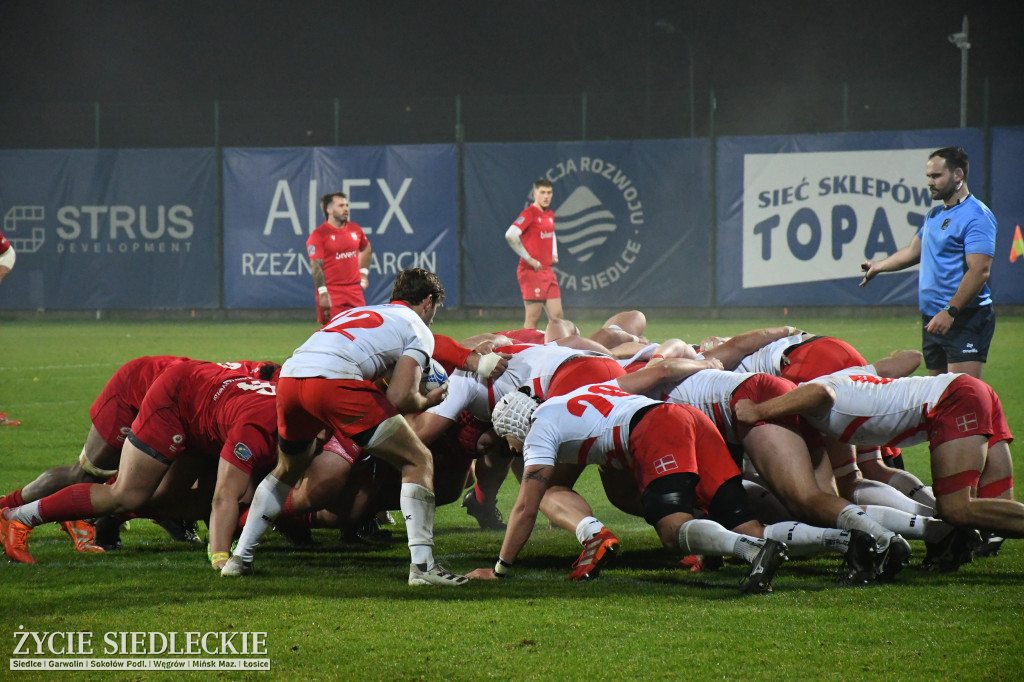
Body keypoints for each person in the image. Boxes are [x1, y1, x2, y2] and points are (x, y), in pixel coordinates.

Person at [221, 267, 468, 586]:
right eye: (435, 309)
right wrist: (428, 401)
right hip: (333, 382)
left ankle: (240, 558)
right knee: (418, 460)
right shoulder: (417, 328)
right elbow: (399, 397)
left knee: (287, 469)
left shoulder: (364, 311)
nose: (433, 317)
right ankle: (423, 569)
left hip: (292, 379)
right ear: (429, 301)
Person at [467, 382, 790, 594]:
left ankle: (750, 549)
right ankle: (838, 537)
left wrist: (500, 569)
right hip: (684, 417)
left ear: (512, 426)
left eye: (508, 441)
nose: (511, 449)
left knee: (670, 528)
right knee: (746, 523)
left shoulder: (537, 430)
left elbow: (525, 508)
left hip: (656, 428)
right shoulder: (568, 399)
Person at [0, 361, 280, 566]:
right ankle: (15, 515)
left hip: (201, 410)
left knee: (180, 500)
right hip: (171, 397)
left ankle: (108, 516)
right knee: (113, 488)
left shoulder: (287, 401)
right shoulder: (257, 425)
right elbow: (227, 497)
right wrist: (221, 558)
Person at [733, 357, 1023, 548]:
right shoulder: (848, 377)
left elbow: (819, 394)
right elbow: (904, 358)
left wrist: (760, 409)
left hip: (951, 401)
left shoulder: (812, 390)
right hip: (968, 391)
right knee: (996, 511)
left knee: (957, 509)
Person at [859, 147, 997, 379]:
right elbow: (914, 251)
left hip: (963, 317)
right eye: (928, 177)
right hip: (933, 319)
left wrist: (950, 310)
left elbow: (980, 271)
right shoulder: (935, 215)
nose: (930, 182)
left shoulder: (977, 216)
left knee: (962, 399)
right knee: (938, 399)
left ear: (958, 175)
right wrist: (879, 266)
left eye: (936, 176)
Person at [505, 178, 562, 330]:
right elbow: (511, 235)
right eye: (542, 192)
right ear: (535, 194)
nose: (546, 196)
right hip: (531, 271)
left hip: (547, 270)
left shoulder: (549, 214)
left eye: (549, 193)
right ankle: (525, 352)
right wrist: (529, 259)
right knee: (532, 320)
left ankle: (555, 352)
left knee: (557, 318)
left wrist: (553, 253)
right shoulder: (529, 213)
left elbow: (552, 233)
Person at [308, 192, 372, 325]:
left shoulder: (355, 230)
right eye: (341, 205)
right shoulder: (319, 235)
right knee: (334, 333)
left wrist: (363, 273)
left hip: (354, 291)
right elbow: (316, 265)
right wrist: (322, 292)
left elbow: (366, 248)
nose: (345, 208)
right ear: (329, 210)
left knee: (362, 331)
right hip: (333, 291)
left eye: (346, 205)